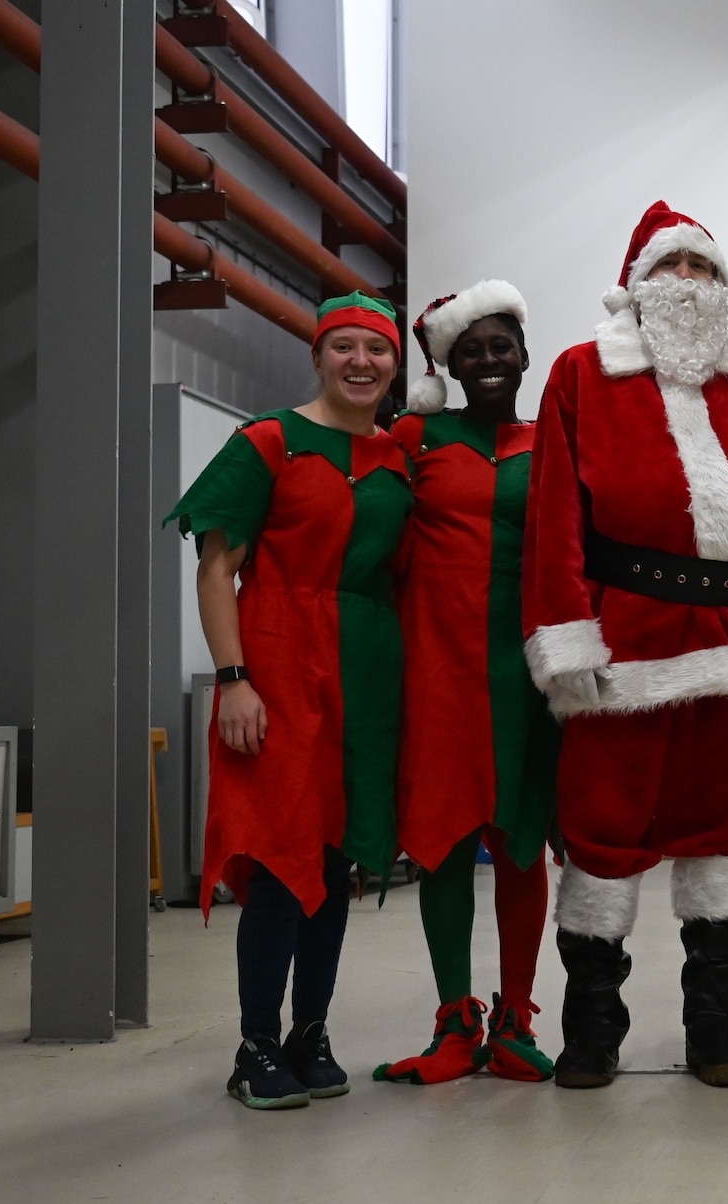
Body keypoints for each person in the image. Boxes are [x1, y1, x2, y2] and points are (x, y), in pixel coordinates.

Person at [522, 201, 728, 1090]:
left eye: (706, 270)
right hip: (627, 641)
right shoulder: (581, 373)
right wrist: (569, 644)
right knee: (603, 833)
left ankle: (713, 1022)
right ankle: (593, 1027)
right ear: (637, 284)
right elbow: (555, 519)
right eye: (673, 267)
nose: (690, 282)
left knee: (725, 834)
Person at [166, 291, 414, 1109]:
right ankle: (256, 1044)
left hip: (366, 668)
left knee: (335, 858)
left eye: (376, 350)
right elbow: (214, 569)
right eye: (343, 347)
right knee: (279, 859)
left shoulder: (397, 459)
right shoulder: (268, 441)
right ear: (316, 356)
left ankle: (312, 1032)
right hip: (275, 657)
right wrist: (233, 677)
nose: (360, 363)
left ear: (393, 363)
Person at [374, 280, 562, 1085]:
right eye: (470, 350)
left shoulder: (552, 440)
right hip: (438, 670)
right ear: (447, 362)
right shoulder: (414, 435)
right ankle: (456, 1018)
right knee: (443, 844)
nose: (488, 361)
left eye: (501, 347)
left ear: (524, 356)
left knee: (522, 846)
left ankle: (516, 1013)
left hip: (525, 676)